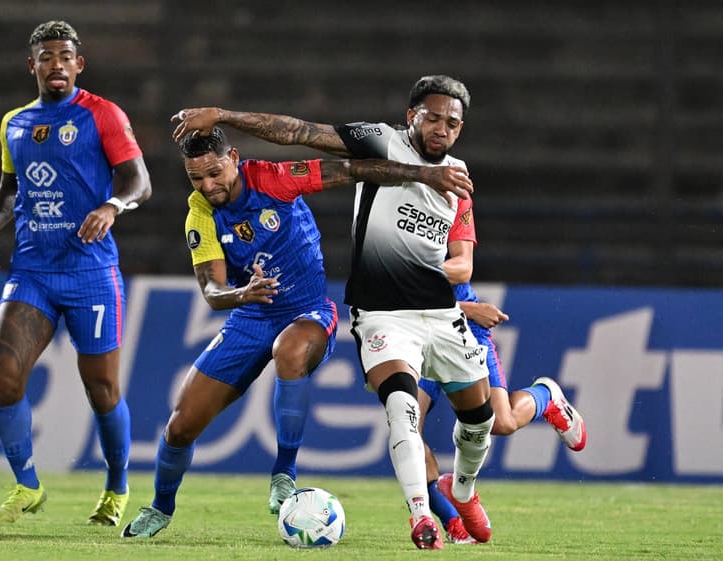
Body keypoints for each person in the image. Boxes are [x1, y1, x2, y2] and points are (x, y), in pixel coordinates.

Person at [170, 75, 507, 550]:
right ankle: (420, 519)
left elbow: (463, 262)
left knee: (485, 421)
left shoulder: (459, 176)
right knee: (402, 409)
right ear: (413, 116)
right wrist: (222, 114)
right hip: (384, 316)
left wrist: (458, 299)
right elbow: (299, 132)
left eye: (451, 122)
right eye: (432, 117)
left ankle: (463, 490)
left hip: (441, 313)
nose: (441, 128)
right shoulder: (381, 140)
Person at [120, 126, 474, 540]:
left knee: (289, 352)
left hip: (308, 310)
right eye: (196, 177)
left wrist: (423, 174)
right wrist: (242, 293)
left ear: (234, 157)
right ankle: (160, 508)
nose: (208, 185)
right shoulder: (199, 211)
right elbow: (212, 292)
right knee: (180, 426)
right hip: (249, 316)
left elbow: (351, 169)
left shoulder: (273, 178)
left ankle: (283, 473)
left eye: (214, 172)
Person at [0, 20, 152, 526]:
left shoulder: (103, 115)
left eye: (65, 56)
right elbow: (12, 189)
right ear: (32, 65)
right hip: (32, 270)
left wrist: (113, 205)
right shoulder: (15, 122)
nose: (57, 64)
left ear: (79, 64)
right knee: (6, 378)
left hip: (91, 272)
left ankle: (116, 489)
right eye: (46, 56)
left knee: (102, 391)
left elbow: (140, 181)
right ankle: (27, 485)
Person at [419, 281, 588, 544]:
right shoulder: (375, 242)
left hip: (462, 330)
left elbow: (462, 266)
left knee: (501, 422)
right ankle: (453, 521)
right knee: (407, 429)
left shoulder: (441, 241)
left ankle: (546, 396)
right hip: (416, 335)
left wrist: (458, 306)